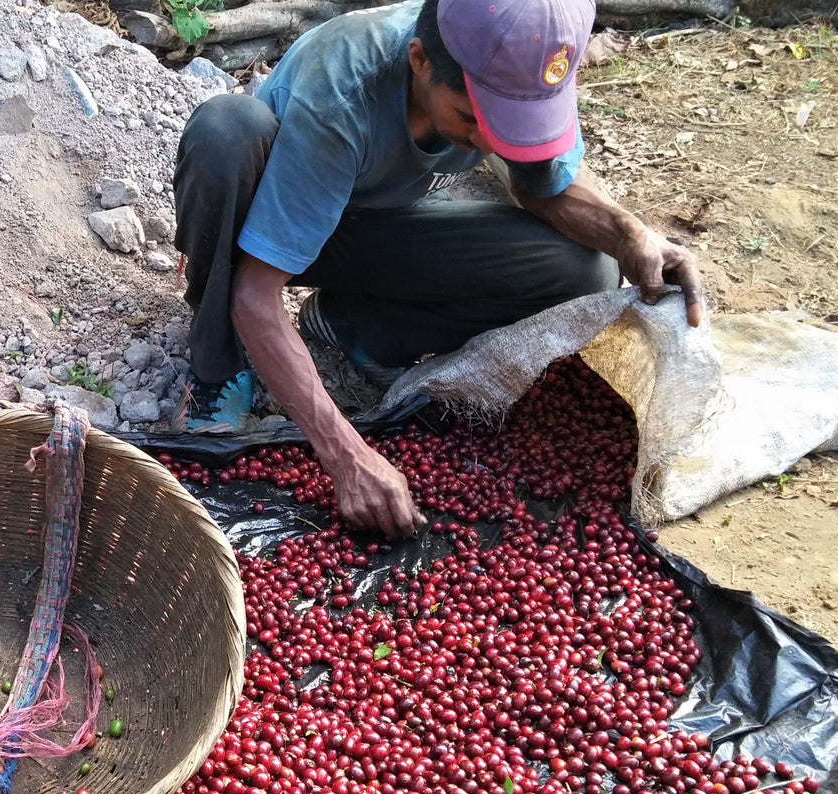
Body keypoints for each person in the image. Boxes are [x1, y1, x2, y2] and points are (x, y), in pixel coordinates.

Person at [172, 0, 706, 540]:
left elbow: (544, 186)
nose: (487, 142)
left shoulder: (522, 67)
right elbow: (257, 295)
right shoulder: (343, 86)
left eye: (508, 128)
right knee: (227, 129)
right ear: (420, 60)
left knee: (584, 271)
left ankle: (354, 325)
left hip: (374, 226)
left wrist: (631, 234)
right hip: (267, 222)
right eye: (472, 120)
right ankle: (217, 364)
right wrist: (347, 456)